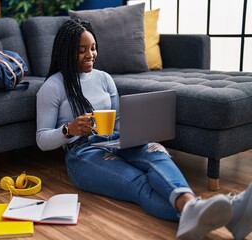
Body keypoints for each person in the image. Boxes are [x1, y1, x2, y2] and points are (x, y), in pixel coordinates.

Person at [36, 19, 252, 240]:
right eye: (81, 51)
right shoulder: (53, 87)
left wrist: (136, 131)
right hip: (82, 153)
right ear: (65, 52)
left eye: (93, 48)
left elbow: (118, 120)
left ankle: (195, 208)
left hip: (116, 140)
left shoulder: (104, 79)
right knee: (138, 182)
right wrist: (69, 130)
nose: (90, 54)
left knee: (156, 153)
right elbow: (42, 140)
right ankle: (228, 211)